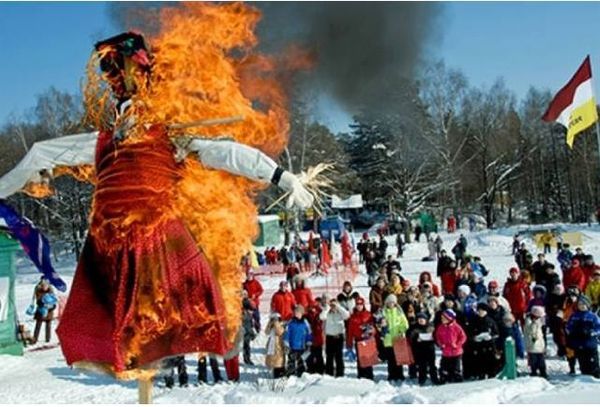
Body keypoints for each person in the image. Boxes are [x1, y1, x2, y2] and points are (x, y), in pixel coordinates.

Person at [53, 30, 315, 377]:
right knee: (116, 310)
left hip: (160, 234)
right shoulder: (106, 144)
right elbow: (45, 155)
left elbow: (228, 153)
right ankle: (132, 348)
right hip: (115, 243)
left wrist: (282, 176)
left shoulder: (170, 134)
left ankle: (215, 331)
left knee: (188, 289)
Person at [565, 295, 600, 378]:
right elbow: (568, 326)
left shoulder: (593, 316)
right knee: (582, 360)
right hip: (578, 343)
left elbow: (598, 327)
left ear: (587, 305)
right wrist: (571, 332)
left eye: (583, 304)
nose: (581, 306)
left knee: (592, 360)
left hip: (590, 343)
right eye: (579, 304)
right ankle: (584, 373)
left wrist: (592, 332)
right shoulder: (574, 316)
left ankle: (595, 373)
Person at [378, 294, 409, 381]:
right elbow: (378, 325)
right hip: (388, 339)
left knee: (398, 358)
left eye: (393, 302)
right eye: (389, 302)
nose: (391, 304)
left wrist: (401, 330)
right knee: (390, 359)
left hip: (398, 338)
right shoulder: (383, 312)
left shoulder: (399, 312)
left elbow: (405, 324)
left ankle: (400, 374)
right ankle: (391, 375)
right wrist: (381, 327)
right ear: (386, 303)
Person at [346, 297, 376, 380]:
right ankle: (361, 376)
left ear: (363, 305)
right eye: (357, 304)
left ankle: (370, 376)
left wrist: (371, 331)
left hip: (367, 340)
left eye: (361, 304)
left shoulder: (368, 314)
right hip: (358, 340)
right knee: (360, 360)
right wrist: (349, 345)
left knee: (368, 359)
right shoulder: (352, 317)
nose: (359, 306)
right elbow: (350, 332)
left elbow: (374, 327)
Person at [435, 309, 467, 384]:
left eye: (444, 318)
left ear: (449, 319)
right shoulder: (440, 327)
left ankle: (457, 377)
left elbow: (463, 337)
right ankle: (444, 377)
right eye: (442, 318)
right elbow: (438, 337)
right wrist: (441, 344)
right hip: (446, 351)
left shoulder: (457, 327)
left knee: (456, 367)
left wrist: (457, 344)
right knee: (444, 366)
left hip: (456, 351)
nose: (442, 320)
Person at [468, 303, 499, 380]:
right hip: (478, 345)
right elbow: (469, 332)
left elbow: (496, 332)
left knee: (490, 359)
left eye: (482, 310)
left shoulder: (490, 321)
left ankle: (491, 373)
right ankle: (480, 374)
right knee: (479, 360)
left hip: (489, 344)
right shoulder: (474, 321)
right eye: (479, 310)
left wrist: (490, 336)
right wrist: (474, 337)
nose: (480, 312)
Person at [320, 297, 350, 377]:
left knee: (339, 356)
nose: (333, 307)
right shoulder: (327, 313)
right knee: (329, 356)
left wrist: (338, 307)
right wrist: (327, 308)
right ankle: (329, 373)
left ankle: (340, 373)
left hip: (339, 337)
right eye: (332, 305)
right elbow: (322, 317)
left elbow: (347, 315)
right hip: (329, 337)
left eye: (334, 305)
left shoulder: (340, 313)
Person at [408, 312, 439, 385]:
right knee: (422, 365)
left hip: (430, 349)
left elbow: (437, 336)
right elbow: (410, 337)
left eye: (422, 319)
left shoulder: (431, 327)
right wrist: (416, 339)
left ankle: (434, 378)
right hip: (420, 350)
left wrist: (433, 339)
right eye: (419, 319)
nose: (421, 320)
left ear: (426, 320)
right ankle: (422, 378)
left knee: (432, 364)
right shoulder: (414, 328)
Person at [284, 305, 312, 377]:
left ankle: (301, 374)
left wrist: (308, 343)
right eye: (295, 312)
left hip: (302, 346)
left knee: (301, 361)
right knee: (291, 361)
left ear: (301, 313)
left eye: (298, 312)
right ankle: (290, 374)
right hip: (292, 345)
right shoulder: (291, 322)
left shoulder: (305, 323)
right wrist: (286, 343)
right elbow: (287, 333)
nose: (296, 313)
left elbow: (309, 333)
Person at [32, 278, 58, 344]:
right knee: (38, 324)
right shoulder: (38, 289)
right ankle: (35, 338)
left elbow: (54, 299)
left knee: (48, 324)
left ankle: (48, 338)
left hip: (49, 310)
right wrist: (42, 303)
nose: (44, 286)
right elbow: (38, 300)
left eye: (46, 285)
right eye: (43, 285)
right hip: (41, 309)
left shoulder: (50, 290)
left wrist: (53, 306)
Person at [524, 306, 547, 378]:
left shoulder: (538, 322)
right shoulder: (530, 321)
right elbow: (531, 332)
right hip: (533, 345)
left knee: (541, 359)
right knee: (533, 359)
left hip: (539, 345)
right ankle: (534, 371)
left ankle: (542, 371)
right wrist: (535, 323)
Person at [306, 297, 326, 374]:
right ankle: (311, 368)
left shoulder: (320, 313)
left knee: (319, 354)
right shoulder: (307, 315)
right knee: (310, 355)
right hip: (310, 338)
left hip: (318, 337)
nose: (312, 309)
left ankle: (320, 369)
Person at [265, 312, 286, 378]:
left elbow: (280, 332)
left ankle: (281, 374)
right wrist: (270, 323)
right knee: (273, 362)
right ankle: (275, 374)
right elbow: (266, 332)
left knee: (279, 361)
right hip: (272, 345)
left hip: (279, 345)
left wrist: (276, 323)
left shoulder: (281, 325)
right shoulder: (271, 325)